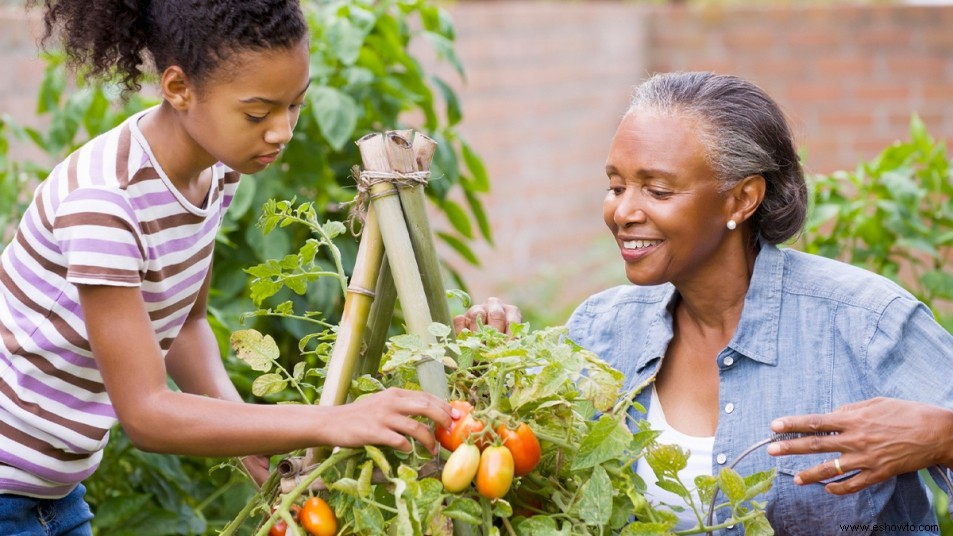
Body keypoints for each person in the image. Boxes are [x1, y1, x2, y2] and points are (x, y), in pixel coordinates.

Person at [1, 1, 453, 534]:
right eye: (258, 113)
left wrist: (251, 445)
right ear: (177, 89)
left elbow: (186, 326)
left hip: (51, 493)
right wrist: (333, 422)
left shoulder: (215, 173)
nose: (282, 131)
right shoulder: (105, 202)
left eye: (295, 106)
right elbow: (146, 413)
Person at [457, 72, 953, 534]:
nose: (624, 211)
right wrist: (492, 378)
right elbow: (531, 495)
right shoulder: (599, 332)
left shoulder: (867, 324)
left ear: (741, 200)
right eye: (615, 186)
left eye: (657, 190)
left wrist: (941, 437)